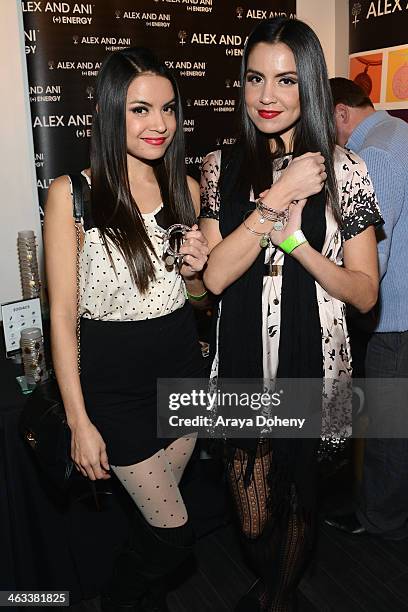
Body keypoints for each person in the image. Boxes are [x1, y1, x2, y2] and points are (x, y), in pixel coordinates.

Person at [199, 18, 382, 612]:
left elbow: (363, 293)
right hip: (244, 368)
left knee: (300, 501)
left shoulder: (345, 170)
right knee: (252, 520)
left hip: (315, 364)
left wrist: (296, 247)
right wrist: (278, 197)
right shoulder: (218, 167)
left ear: (308, 86)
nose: (267, 96)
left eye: (284, 80)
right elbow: (217, 276)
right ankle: (273, 578)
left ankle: (278, 597)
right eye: (255, 79)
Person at [44, 47, 208, 612]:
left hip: (184, 370)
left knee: (153, 526)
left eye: (167, 109)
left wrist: (195, 274)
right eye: (140, 109)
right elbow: (62, 318)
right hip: (115, 389)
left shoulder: (185, 187)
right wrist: (78, 420)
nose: (158, 123)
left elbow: (197, 297)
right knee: (173, 532)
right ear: (112, 111)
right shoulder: (72, 195)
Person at [325, 78, 408, 540]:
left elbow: (371, 259)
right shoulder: (399, 133)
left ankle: (383, 521)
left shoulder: (372, 154)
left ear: (340, 113)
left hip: (395, 316)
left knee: (390, 430)